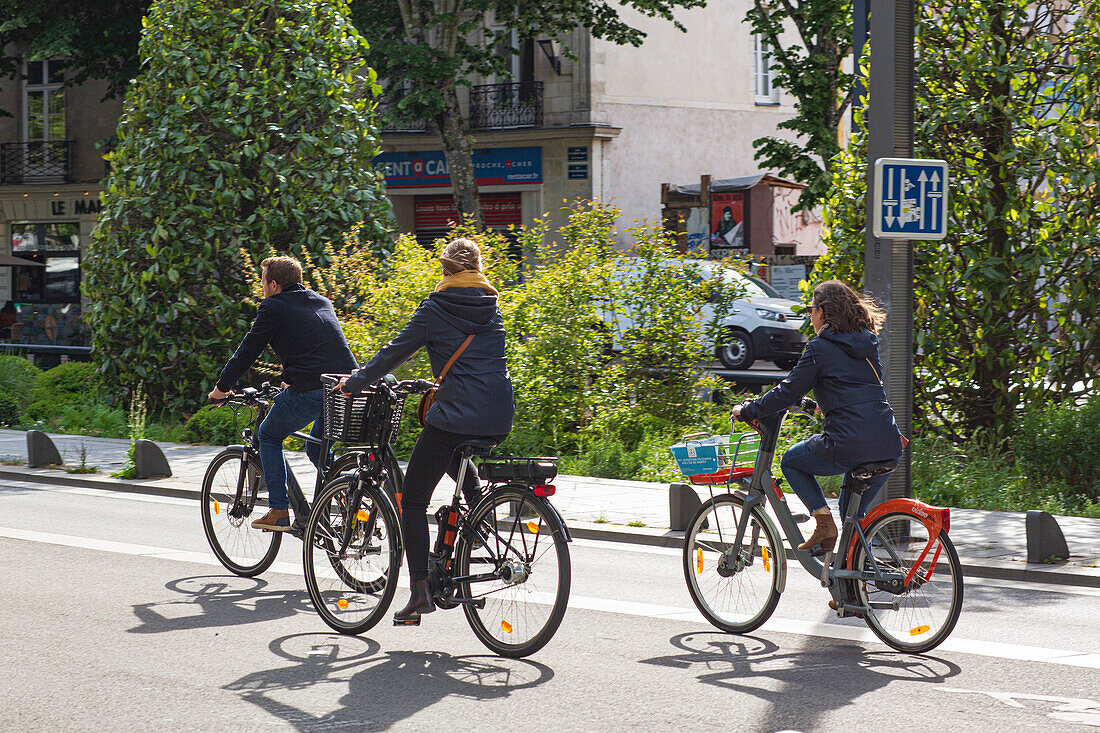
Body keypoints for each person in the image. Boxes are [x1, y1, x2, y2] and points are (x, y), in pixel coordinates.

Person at [337, 238, 515, 625]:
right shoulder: (492, 306)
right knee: (459, 468)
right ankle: (471, 528)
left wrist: (355, 382)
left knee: (414, 498)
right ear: (477, 269)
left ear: (446, 271)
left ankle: (420, 591)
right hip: (500, 413)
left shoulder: (437, 308)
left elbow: (394, 352)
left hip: (456, 415)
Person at [731, 279, 904, 557]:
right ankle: (852, 588)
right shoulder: (867, 343)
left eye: (811, 309)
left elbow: (787, 391)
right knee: (853, 517)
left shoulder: (820, 347)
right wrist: (821, 404)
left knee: (791, 462)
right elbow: (856, 386)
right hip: (889, 443)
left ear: (822, 312)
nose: (810, 315)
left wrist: (748, 411)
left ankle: (823, 524)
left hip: (848, 443)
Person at [209, 256, 357, 531]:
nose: (262, 288)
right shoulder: (320, 301)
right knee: (315, 447)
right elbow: (316, 346)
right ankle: (349, 501)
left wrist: (222, 388)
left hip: (313, 388)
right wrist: (290, 378)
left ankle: (279, 509)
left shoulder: (273, 306)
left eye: (263, 282)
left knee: (268, 435)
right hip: (344, 387)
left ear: (274, 284)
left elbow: (247, 352)